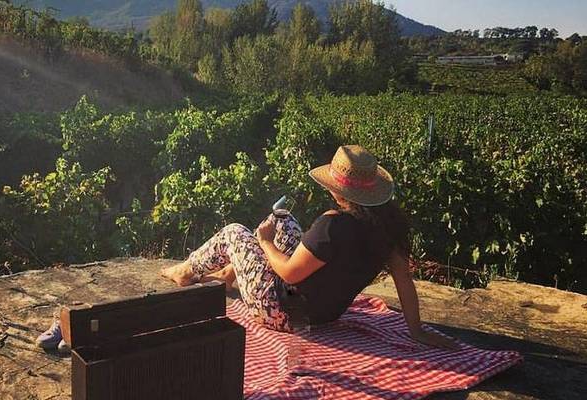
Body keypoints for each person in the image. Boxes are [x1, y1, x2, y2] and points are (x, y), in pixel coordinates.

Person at [161, 145, 459, 350]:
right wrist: (416, 330)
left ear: (338, 189)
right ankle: (230, 273)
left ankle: (185, 271)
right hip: (324, 314)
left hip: (281, 310)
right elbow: (404, 280)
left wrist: (265, 242)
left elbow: (289, 274)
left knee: (234, 232)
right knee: (284, 219)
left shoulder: (333, 225)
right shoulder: (388, 228)